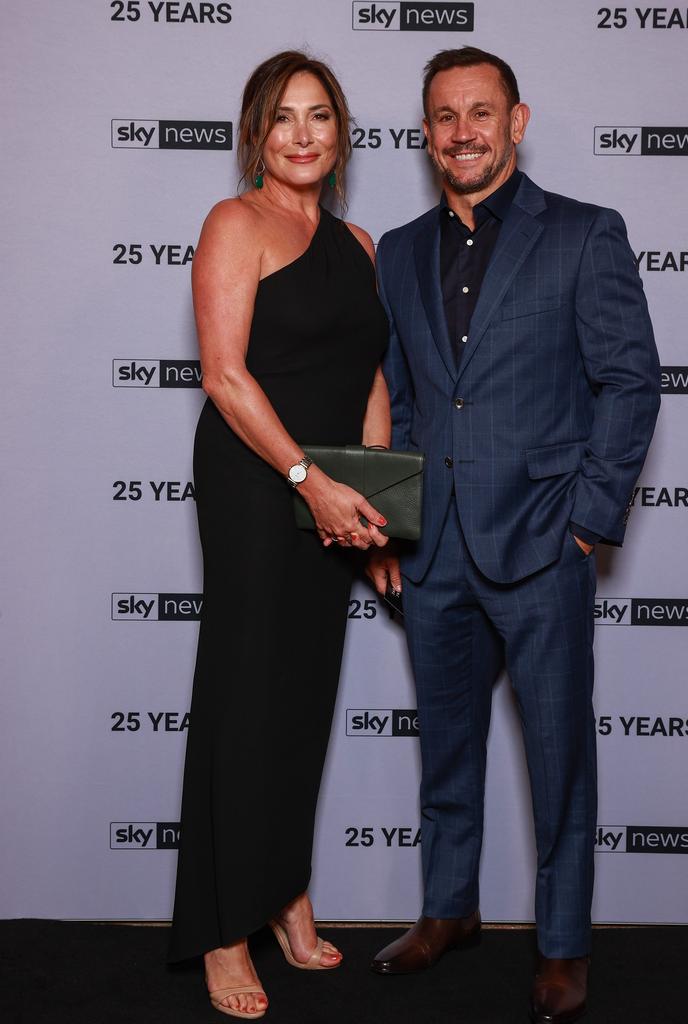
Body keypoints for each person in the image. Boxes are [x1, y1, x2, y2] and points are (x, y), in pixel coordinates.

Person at [367, 46, 660, 1024]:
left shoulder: (583, 234)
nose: (464, 131)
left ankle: (564, 943)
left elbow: (631, 381)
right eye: (445, 115)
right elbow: (406, 400)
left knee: (558, 754)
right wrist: (399, 523)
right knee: (446, 749)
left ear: (517, 122)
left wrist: (586, 522)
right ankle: (448, 908)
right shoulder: (400, 251)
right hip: (436, 549)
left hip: (542, 543)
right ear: (423, 132)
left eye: (481, 112)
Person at [168, 51, 391, 1019]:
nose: (303, 134)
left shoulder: (362, 243)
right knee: (245, 697)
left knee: (304, 697)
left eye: (321, 117)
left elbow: (371, 378)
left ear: (341, 136)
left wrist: (379, 513)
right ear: (257, 132)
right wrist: (311, 477)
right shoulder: (234, 224)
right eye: (284, 118)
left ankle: (286, 889)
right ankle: (225, 928)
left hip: (333, 496)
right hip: (259, 485)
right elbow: (224, 375)